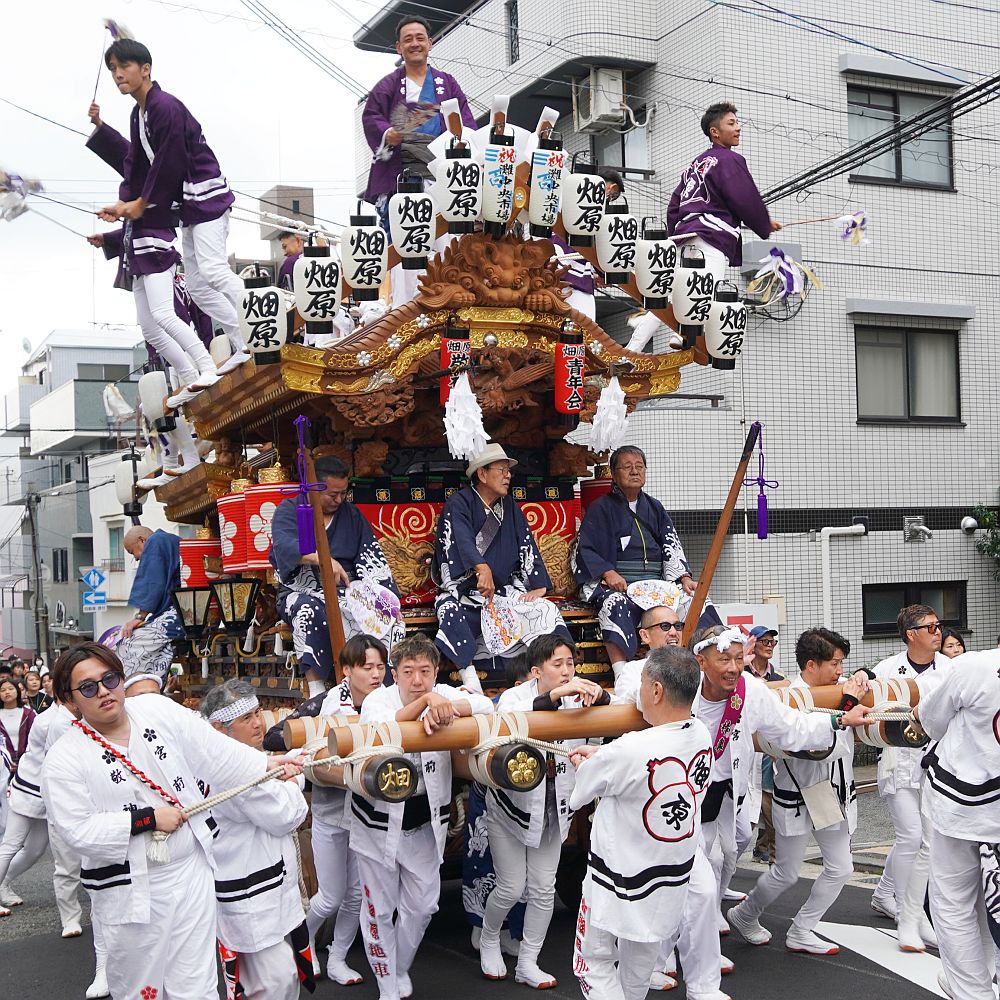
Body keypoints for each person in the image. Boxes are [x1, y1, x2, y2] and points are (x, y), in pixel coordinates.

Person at [620, 624, 870, 998]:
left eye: (739, 658)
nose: (734, 667)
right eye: (724, 659)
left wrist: (839, 718)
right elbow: (633, 693)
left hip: (721, 793)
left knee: (712, 875)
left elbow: (791, 727)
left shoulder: (748, 690)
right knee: (677, 881)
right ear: (700, 661)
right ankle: (658, 959)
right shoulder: (676, 684)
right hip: (671, 792)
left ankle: (696, 969)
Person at [41, 642, 294, 1000]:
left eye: (109, 679)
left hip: (189, 870)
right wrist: (147, 820)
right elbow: (77, 830)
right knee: (141, 988)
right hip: (131, 889)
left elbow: (214, 750)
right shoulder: (63, 758)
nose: (104, 691)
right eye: (88, 687)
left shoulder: (156, 709)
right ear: (70, 699)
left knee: (196, 985)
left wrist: (266, 765)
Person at [351, 634, 494, 1000]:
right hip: (377, 823)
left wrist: (446, 705)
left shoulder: (442, 693)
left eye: (425, 672)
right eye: (408, 672)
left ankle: (398, 968)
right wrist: (426, 703)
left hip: (425, 824)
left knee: (424, 905)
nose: (417, 680)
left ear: (436, 672)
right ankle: (386, 986)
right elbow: (383, 727)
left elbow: (485, 706)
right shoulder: (378, 700)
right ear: (394, 674)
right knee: (379, 910)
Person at [99, 39, 251, 371]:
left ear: (145, 69)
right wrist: (124, 202)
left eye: (124, 66)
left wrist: (142, 203)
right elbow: (136, 164)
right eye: (112, 69)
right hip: (189, 204)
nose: (117, 74)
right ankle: (245, 341)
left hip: (206, 194)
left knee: (213, 270)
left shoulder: (164, 106)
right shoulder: (139, 114)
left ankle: (266, 321)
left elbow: (169, 161)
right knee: (197, 286)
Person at [571, 645, 712, 1000]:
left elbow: (582, 790)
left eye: (643, 683)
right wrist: (603, 756)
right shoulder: (701, 733)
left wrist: (589, 762)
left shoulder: (631, 747)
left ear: (657, 690)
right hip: (668, 880)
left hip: (618, 879)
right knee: (638, 970)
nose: (640, 691)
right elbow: (632, 763)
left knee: (592, 963)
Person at [479, 635, 609, 987]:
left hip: (555, 807)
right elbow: (507, 722)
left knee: (543, 888)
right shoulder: (516, 697)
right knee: (510, 887)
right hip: (510, 807)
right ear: (536, 671)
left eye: (571, 663)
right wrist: (554, 697)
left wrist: (600, 698)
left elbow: (598, 736)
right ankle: (489, 938)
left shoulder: (580, 694)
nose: (567, 671)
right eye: (557, 664)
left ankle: (528, 962)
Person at [729, 628, 867, 955]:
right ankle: (745, 913)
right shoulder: (789, 698)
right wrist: (847, 705)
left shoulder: (839, 687)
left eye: (842, 663)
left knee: (841, 868)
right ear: (811, 664)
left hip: (833, 793)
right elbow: (816, 746)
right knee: (786, 872)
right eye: (834, 663)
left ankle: (802, 929)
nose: (840, 670)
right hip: (797, 793)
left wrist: (866, 675)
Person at [264, 634, 388, 986]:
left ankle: (337, 957)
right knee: (331, 895)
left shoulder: (388, 704)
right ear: (347, 670)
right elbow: (276, 735)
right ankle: (301, 946)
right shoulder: (326, 704)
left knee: (357, 894)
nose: (376, 674)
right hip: (331, 811)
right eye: (367, 667)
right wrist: (316, 745)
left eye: (381, 667)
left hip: (369, 811)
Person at [201, 679, 311, 1000]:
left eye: (258, 712)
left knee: (270, 979)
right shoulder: (233, 769)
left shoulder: (225, 757)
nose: (258, 723)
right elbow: (285, 814)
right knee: (275, 981)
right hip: (249, 890)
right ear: (220, 728)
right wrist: (294, 781)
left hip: (256, 879)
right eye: (246, 718)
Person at [433, 443, 570, 689]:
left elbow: (526, 541)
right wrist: (481, 568)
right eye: (502, 470)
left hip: (503, 591)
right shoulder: (459, 503)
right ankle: (470, 679)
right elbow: (461, 540)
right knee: (450, 612)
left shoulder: (509, 506)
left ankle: (558, 674)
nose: (508, 476)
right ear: (482, 474)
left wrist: (538, 583)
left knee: (545, 609)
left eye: (509, 471)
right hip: (464, 592)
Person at [574, 444, 716, 670]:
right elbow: (585, 549)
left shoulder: (655, 507)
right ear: (614, 474)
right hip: (620, 585)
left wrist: (684, 577)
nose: (634, 471)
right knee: (614, 603)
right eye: (627, 467)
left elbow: (671, 543)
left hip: (657, 585)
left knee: (696, 599)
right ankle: (622, 671)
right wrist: (608, 573)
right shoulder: (600, 508)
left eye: (639, 466)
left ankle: (706, 663)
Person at [270, 456, 399, 698]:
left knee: (383, 616)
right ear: (314, 488)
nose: (339, 500)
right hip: (301, 590)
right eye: (332, 494)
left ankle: (379, 689)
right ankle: (317, 688)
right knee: (308, 611)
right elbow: (284, 545)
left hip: (348, 590)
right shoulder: (289, 511)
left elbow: (371, 557)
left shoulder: (352, 515)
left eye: (343, 493)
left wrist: (386, 598)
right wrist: (323, 559)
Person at [918, 650, 1000, 1000]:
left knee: (954, 903)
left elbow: (931, 721)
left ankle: (971, 991)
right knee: (988, 903)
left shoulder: (975, 666)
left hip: (962, 807)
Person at [869, 604, 949, 929]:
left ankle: (885, 894)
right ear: (911, 634)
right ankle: (905, 909)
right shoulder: (887, 668)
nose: (938, 632)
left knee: (926, 840)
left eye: (939, 625)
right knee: (911, 836)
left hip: (935, 765)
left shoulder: (949, 669)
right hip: (897, 763)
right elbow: (865, 698)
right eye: (930, 627)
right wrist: (860, 674)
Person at [361, 15, 476, 218]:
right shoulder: (388, 85)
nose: (415, 44)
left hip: (444, 174)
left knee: (449, 232)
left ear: (430, 43)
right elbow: (371, 117)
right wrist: (388, 133)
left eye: (420, 38)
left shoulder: (447, 83)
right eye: (408, 39)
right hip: (403, 175)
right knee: (406, 232)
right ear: (399, 47)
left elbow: (465, 121)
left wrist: (463, 142)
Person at [0, 697, 83, 932]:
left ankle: (4, 884)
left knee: (34, 849)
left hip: (45, 793)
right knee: (12, 844)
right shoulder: (53, 722)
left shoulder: (59, 716)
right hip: (30, 788)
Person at [667, 102, 781, 270]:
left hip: (683, 241)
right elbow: (744, 198)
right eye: (731, 123)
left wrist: (674, 234)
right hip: (710, 238)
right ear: (715, 132)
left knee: (686, 287)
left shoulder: (694, 165)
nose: (738, 128)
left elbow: (674, 205)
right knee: (710, 287)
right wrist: (763, 224)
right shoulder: (729, 159)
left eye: (737, 122)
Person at [116, 526, 183, 688]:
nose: (137, 558)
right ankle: (152, 688)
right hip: (185, 609)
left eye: (133, 552)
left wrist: (140, 616)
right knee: (161, 650)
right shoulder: (169, 540)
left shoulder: (156, 541)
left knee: (128, 643)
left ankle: (134, 690)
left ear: (142, 540)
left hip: (182, 612)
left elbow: (153, 582)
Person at [611, 603, 684, 703]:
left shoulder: (693, 667)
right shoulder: (632, 671)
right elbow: (623, 705)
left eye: (678, 626)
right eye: (665, 626)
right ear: (645, 635)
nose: (674, 632)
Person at [0, 678, 35, 778]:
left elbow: (35, 740)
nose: (7, 692)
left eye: (11, 689)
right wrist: (6, 762)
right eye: (3, 690)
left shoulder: (29, 714)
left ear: (18, 691)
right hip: (2, 767)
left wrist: (24, 761)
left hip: (26, 765)